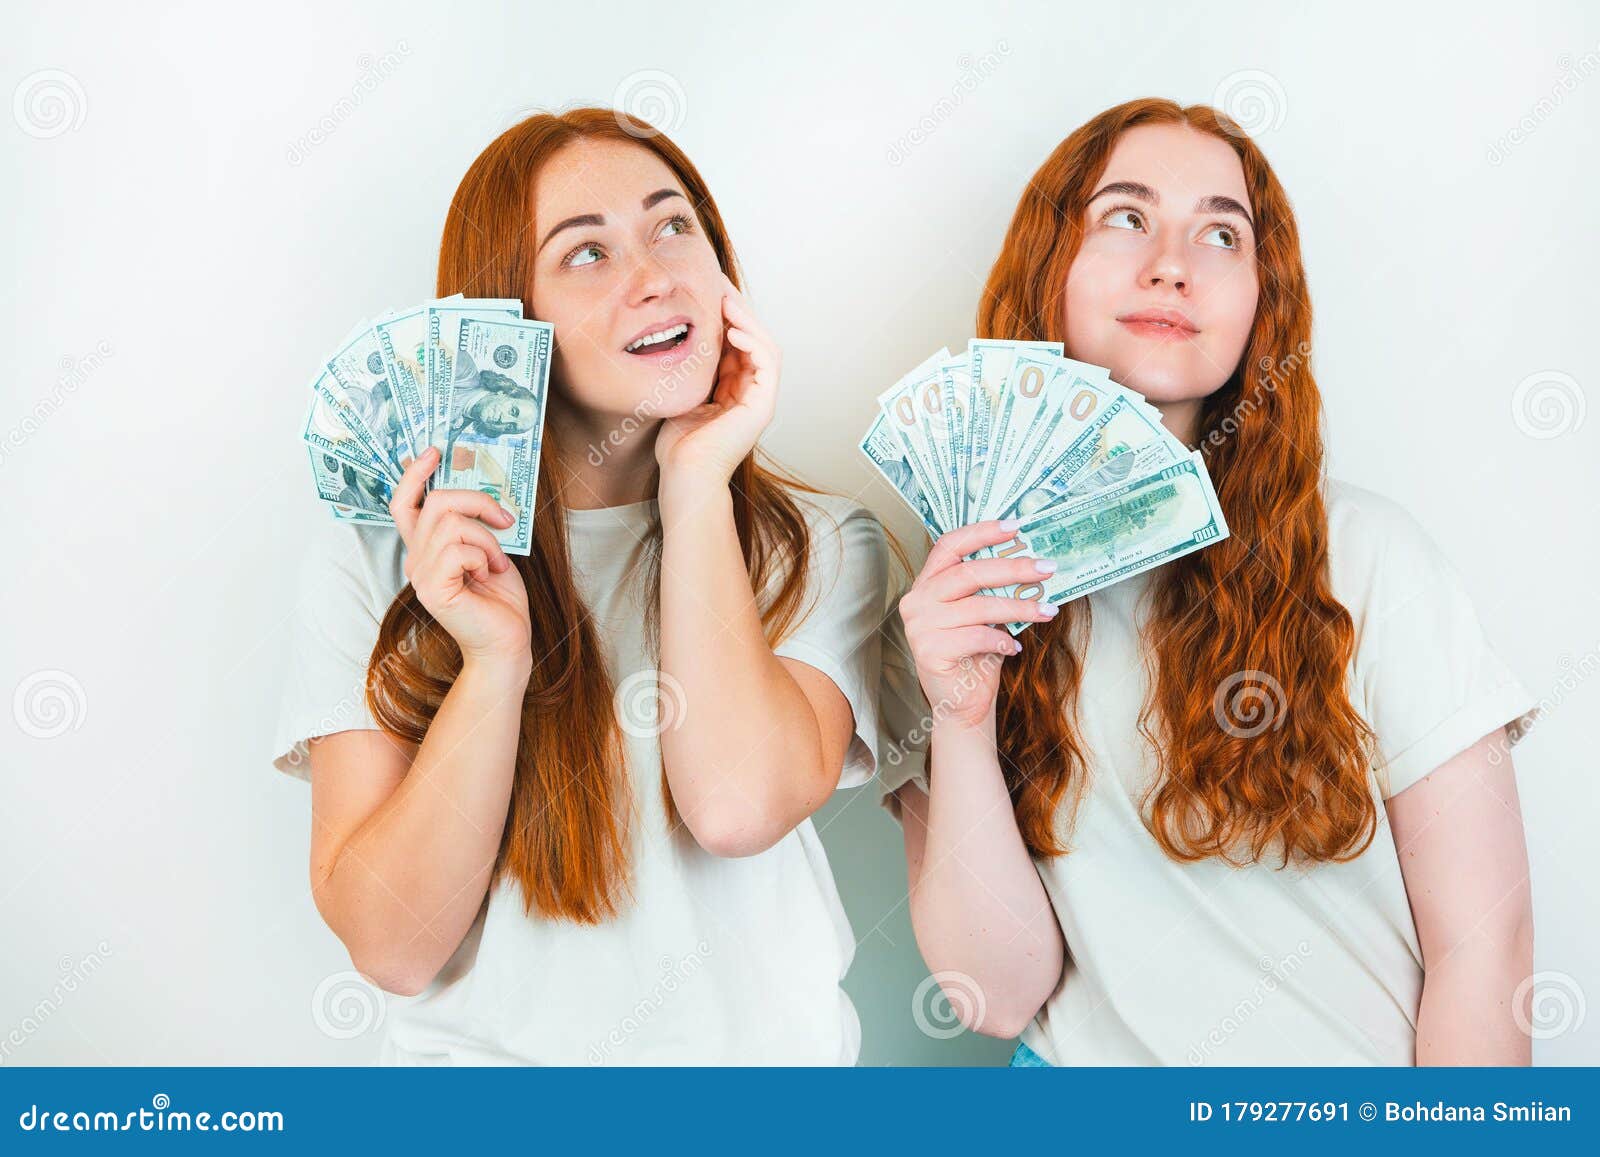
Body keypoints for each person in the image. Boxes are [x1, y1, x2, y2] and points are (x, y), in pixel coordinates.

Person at [878, 98, 1542, 1066]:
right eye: (1126, 216)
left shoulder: (1368, 558)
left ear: (1259, 304)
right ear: (1046, 266)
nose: (1172, 262)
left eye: (1220, 233)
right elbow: (997, 992)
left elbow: (1485, 950)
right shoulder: (950, 599)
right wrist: (963, 711)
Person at [272, 107, 894, 1065]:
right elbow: (393, 947)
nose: (654, 277)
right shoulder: (378, 563)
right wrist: (493, 662)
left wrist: (695, 485)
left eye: (673, 226)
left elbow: (735, 807)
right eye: (586, 253)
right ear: (501, 322)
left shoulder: (819, 544)